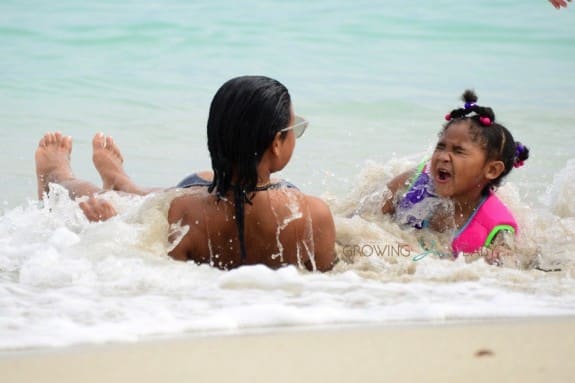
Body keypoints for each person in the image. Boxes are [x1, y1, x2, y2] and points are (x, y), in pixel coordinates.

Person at [35, 76, 336, 271]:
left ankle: (59, 179)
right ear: (275, 144)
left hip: (201, 195)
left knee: (139, 202)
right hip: (233, 195)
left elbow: (158, 276)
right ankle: (120, 182)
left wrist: (111, 229)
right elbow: (322, 285)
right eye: (294, 127)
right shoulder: (314, 216)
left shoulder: (183, 211)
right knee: (156, 195)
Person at [381, 90, 529, 263]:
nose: (443, 157)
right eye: (441, 147)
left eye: (458, 151)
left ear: (492, 170)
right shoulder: (413, 182)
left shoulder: (497, 231)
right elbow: (361, 222)